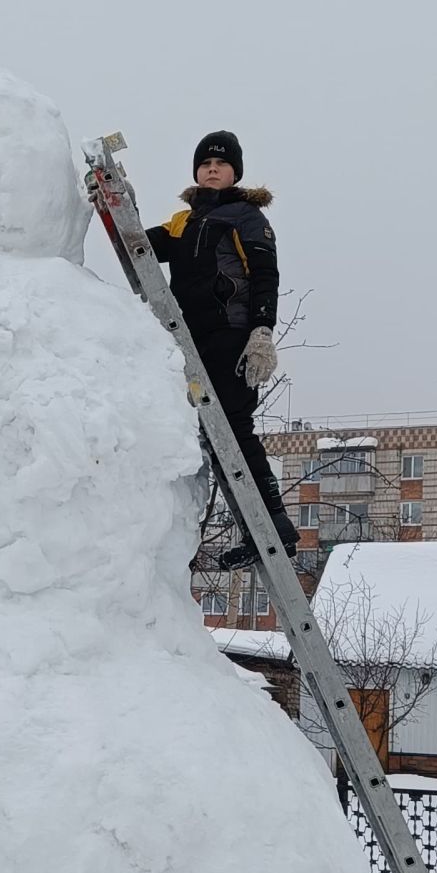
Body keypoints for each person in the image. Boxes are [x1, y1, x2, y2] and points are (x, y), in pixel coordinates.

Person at [144, 130, 302, 564]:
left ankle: (274, 526)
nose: (212, 169)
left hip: (230, 335)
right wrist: (109, 202)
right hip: (189, 341)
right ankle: (258, 529)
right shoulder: (183, 221)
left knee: (232, 428)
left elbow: (266, 275)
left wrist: (262, 332)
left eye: (221, 164)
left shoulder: (246, 216)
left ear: (235, 172)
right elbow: (138, 245)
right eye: (205, 164)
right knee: (214, 438)